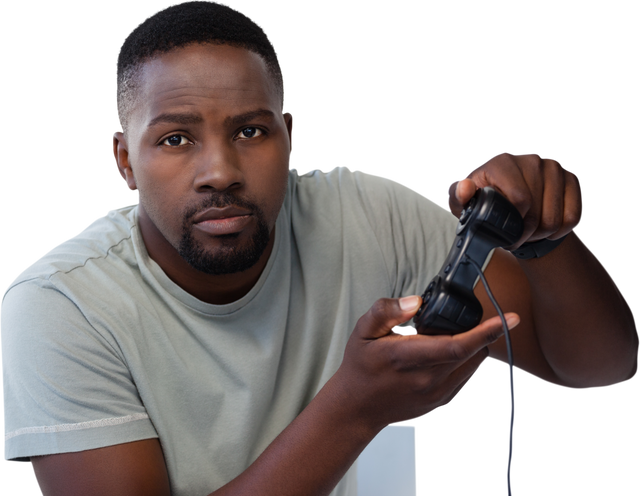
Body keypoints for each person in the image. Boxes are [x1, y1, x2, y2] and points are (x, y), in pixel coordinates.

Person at [1, 1, 637, 495]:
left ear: (289, 136)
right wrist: (354, 409)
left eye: (250, 130)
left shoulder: (364, 213)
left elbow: (598, 367)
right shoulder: (61, 304)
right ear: (123, 161)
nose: (219, 170)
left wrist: (546, 242)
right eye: (175, 139)